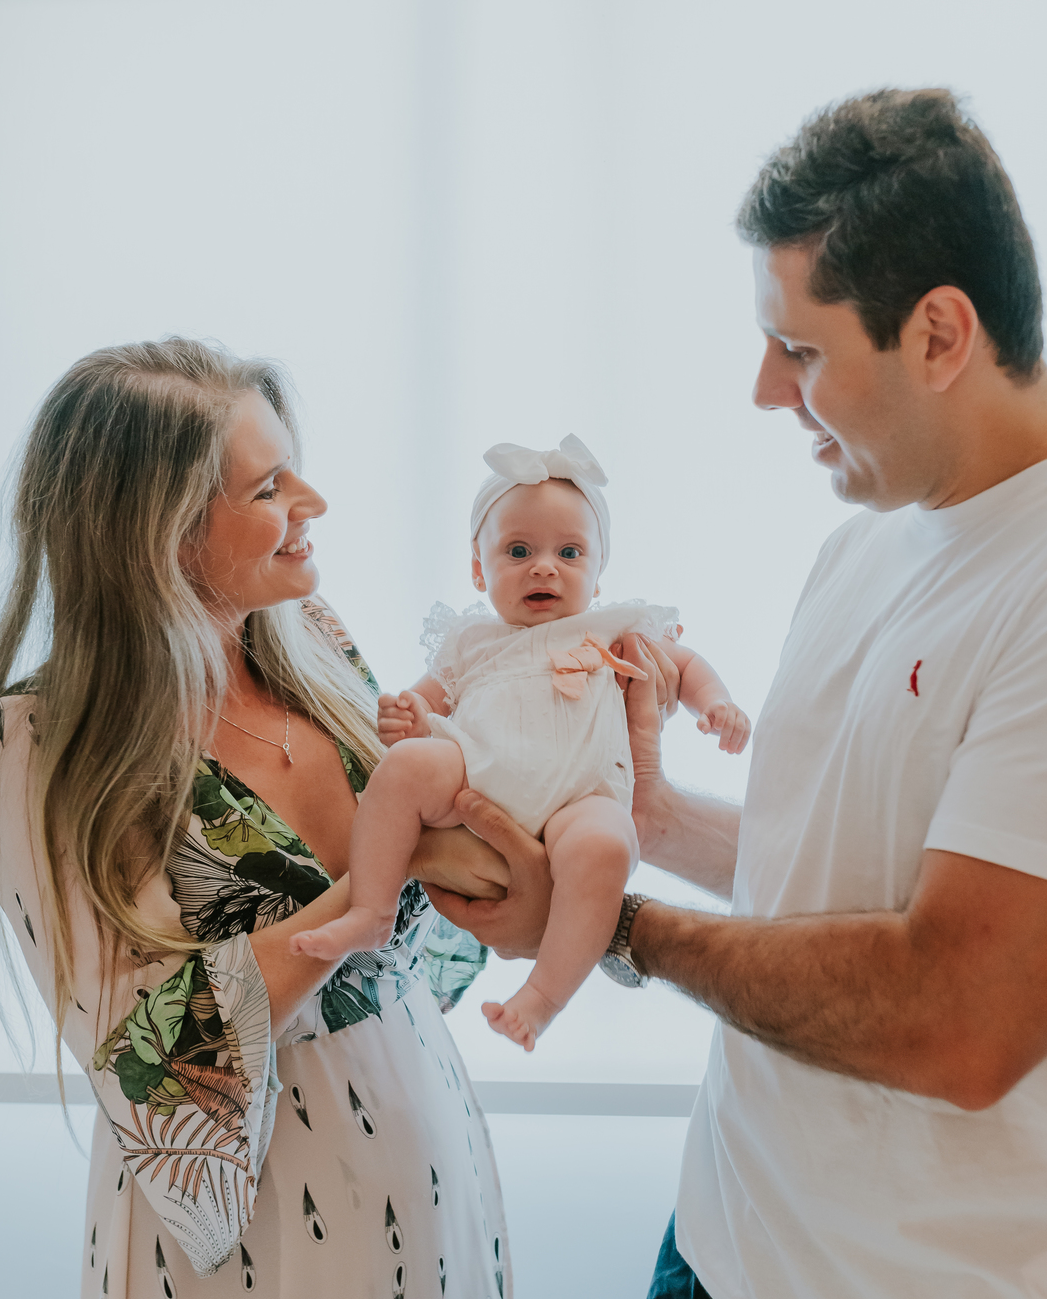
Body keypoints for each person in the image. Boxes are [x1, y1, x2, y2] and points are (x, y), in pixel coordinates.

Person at [455, 90, 1047, 1299]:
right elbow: (821, 868)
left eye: (799, 350)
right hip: (725, 1277)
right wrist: (647, 815)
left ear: (943, 333)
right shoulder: (879, 534)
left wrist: (614, 932)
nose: (767, 394)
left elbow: (954, 1012)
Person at [0, 339, 556, 1299]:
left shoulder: (316, 649)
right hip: (245, 1241)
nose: (312, 506)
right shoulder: (37, 745)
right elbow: (141, 1059)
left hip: (425, 1192)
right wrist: (368, 892)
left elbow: (428, 942)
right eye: (268, 488)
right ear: (155, 528)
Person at [292, 435, 750, 1051]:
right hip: (475, 779)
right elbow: (425, 699)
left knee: (608, 845)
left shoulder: (613, 628)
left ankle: (543, 996)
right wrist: (406, 714)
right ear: (479, 569)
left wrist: (715, 703)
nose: (544, 566)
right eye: (518, 551)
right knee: (406, 766)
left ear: (598, 570)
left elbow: (686, 664)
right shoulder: (470, 641)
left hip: (580, 798)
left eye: (569, 552)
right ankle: (371, 912)